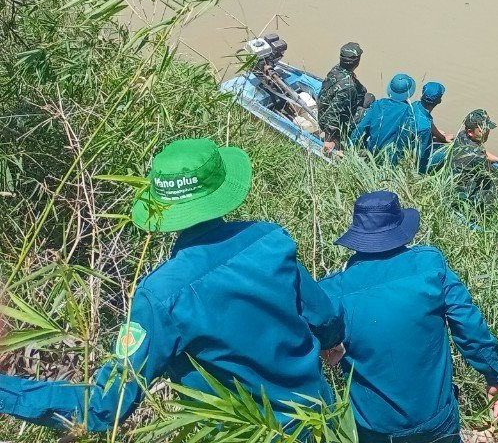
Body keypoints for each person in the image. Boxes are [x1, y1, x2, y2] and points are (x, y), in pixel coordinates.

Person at [0, 138, 345, 432]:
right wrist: (331, 345)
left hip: (245, 433)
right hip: (320, 422)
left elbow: (106, 405)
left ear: (161, 205)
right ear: (222, 188)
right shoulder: (269, 240)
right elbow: (325, 317)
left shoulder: (160, 297)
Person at [320, 191, 498, 443]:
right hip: (435, 418)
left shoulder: (330, 291)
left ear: (357, 236)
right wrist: (495, 375)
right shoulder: (430, 265)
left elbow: (310, 349)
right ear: (402, 229)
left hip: (374, 426)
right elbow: (468, 326)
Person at [350, 73, 416, 162]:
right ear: (410, 92)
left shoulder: (378, 104)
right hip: (392, 158)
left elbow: (361, 127)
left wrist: (349, 147)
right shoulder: (409, 111)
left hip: (372, 152)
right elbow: (405, 138)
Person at [317, 42, 370, 144]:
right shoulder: (348, 88)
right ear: (357, 62)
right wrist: (329, 139)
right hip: (328, 123)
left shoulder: (336, 69)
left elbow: (361, 90)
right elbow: (334, 114)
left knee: (369, 97)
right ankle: (354, 139)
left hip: (324, 110)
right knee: (370, 113)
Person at [448, 109, 498, 201]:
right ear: (470, 132)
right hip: (461, 194)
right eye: (483, 129)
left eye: (488, 128)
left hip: (452, 179)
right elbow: (491, 173)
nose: (488, 131)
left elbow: (482, 151)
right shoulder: (476, 156)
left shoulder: (462, 135)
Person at [411, 81, 452, 172]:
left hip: (411, 139)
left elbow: (428, 122)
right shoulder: (425, 128)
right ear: (439, 101)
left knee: (444, 137)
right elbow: (420, 156)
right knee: (449, 151)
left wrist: (441, 137)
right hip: (414, 155)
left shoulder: (414, 105)